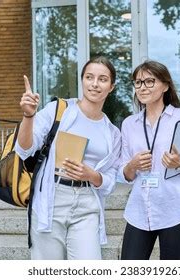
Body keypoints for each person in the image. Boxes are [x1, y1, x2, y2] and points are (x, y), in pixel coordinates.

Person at [15, 56, 121, 260]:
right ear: (82, 80)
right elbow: (24, 149)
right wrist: (28, 116)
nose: (95, 84)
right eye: (89, 77)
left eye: (103, 79)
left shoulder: (112, 132)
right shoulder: (58, 111)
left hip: (87, 204)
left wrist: (92, 175)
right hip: (51, 198)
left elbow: (110, 180)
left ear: (111, 86)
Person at [119, 60, 180, 260]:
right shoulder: (129, 124)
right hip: (139, 211)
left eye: (149, 81)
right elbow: (123, 173)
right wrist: (132, 165)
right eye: (138, 82)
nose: (142, 87)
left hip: (175, 209)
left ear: (166, 86)